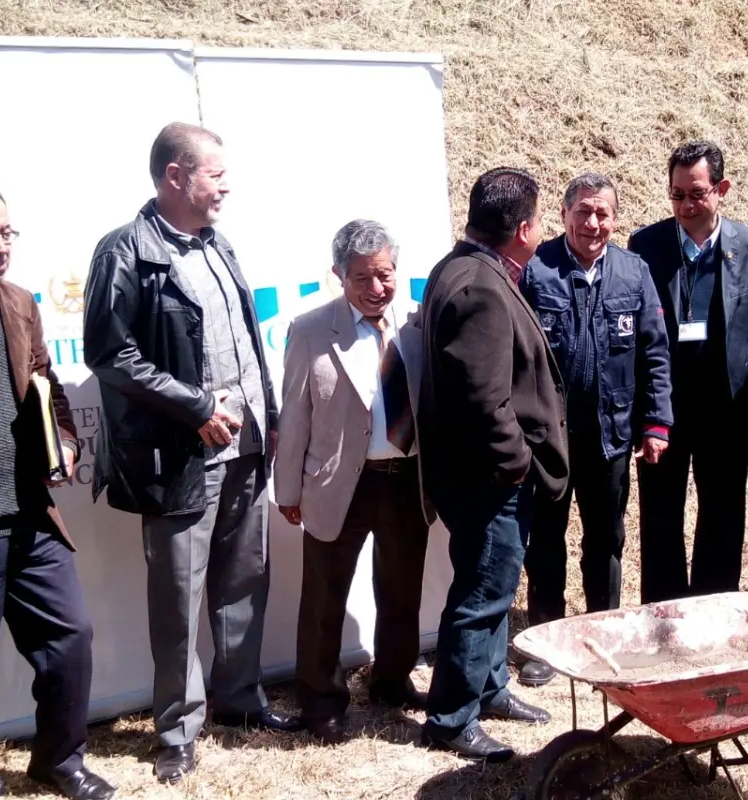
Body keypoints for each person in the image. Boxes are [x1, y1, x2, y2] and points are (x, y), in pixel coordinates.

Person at [83, 123, 301, 784]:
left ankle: (239, 701)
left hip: (246, 446)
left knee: (243, 580)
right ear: (175, 176)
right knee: (177, 600)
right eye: (215, 175)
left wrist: (267, 415)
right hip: (180, 458)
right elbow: (109, 354)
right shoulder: (126, 251)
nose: (226, 187)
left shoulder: (217, 243)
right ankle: (177, 730)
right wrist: (197, 406)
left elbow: (242, 342)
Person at [0, 179, 115, 800]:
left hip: (32, 518)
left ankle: (59, 761)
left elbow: (48, 387)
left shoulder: (19, 303)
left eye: (6, 232)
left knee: (70, 639)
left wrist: (64, 440)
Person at [418, 167, 568, 761]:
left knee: (495, 587)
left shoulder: (460, 267)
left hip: (477, 474)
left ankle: (489, 688)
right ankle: (452, 718)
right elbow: (484, 399)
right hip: (487, 479)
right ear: (524, 229)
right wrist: (517, 464)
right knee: (483, 590)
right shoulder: (480, 286)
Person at [274, 220, 431, 744]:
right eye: (361, 277)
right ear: (339, 275)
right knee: (323, 596)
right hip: (339, 482)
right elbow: (293, 415)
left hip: (405, 477)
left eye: (384, 274)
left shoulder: (415, 325)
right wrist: (288, 490)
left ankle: (392, 679)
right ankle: (321, 699)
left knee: (403, 588)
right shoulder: (312, 328)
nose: (375, 288)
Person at [518, 173, 673, 687]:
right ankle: (546, 639)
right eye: (583, 211)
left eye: (603, 213)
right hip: (549, 439)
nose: (593, 223)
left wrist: (657, 423)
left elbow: (654, 352)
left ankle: (603, 632)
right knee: (546, 538)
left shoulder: (634, 271)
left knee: (606, 538)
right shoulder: (535, 271)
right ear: (564, 215)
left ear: (615, 217)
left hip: (612, 434)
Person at [627, 140, 748, 603]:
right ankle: (665, 612)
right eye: (676, 195)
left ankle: (714, 610)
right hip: (664, 407)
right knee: (661, 516)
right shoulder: (646, 244)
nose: (686, 205)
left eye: (696, 194)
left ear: (721, 189)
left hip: (725, 408)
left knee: (723, 515)